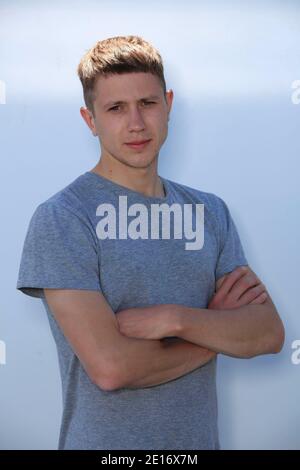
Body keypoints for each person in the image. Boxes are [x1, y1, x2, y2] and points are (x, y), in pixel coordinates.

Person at [16, 35, 285, 451]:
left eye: (148, 103)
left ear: (169, 104)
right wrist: (215, 330)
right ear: (90, 120)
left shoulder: (209, 212)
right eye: (116, 108)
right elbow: (110, 368)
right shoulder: (64, 218)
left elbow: (267, 333)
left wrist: (176, 318)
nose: (137, 123)